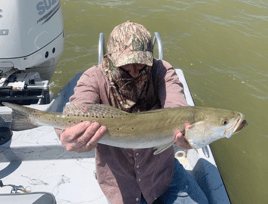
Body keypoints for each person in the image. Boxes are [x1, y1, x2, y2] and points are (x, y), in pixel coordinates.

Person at [56, 21, 208, 204]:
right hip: (119, 183)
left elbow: (177, 107)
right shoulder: (93, 78)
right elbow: (78, 107)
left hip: (162, 174)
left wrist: (187, 132)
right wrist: (65, 134)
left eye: (142, 64)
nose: (135, 72)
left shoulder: (162, 71)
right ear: (110, 59)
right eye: (126, 66)